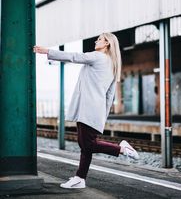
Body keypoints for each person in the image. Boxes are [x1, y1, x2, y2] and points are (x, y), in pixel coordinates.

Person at [33, 32, 139, 189]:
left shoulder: (97, 57)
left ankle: (123, 149)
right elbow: (110, 95)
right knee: (85, 145)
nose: (96, 41)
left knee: (87, 145)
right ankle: (80, 178)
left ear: (107, 44)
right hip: (94, 109)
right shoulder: (112, 64)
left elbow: (74, 56)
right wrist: (103, 116)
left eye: (100, 39)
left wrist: (48, 51)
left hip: (87, 108)